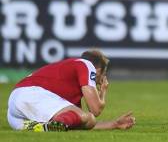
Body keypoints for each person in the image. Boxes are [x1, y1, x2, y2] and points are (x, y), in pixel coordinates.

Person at [7, 50, 135, 131]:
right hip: (32, 95)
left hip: (15, 113)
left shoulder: (68, 80)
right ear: (97, 71)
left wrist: (114, 124)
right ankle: (50, 125)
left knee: (83, 119)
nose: (102, 79)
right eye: (103, 74)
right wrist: (103, 92)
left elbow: (85, 122)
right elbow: (95, 110)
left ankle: (42, 127)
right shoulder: (86, 65)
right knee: (88, 117)